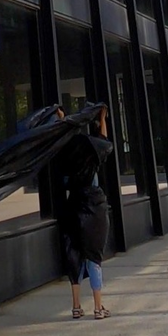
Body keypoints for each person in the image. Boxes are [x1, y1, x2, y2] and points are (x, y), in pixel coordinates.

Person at [56, 103, 113, 320]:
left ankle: (76, 306)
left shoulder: (66, 158)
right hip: (93, 207)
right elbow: (104, 142)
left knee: (74, 254)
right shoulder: (92, 158)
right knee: (94, 256)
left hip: (73, 206)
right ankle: (98, 307)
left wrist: (63, 121)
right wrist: (102, 119)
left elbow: (64, 139)